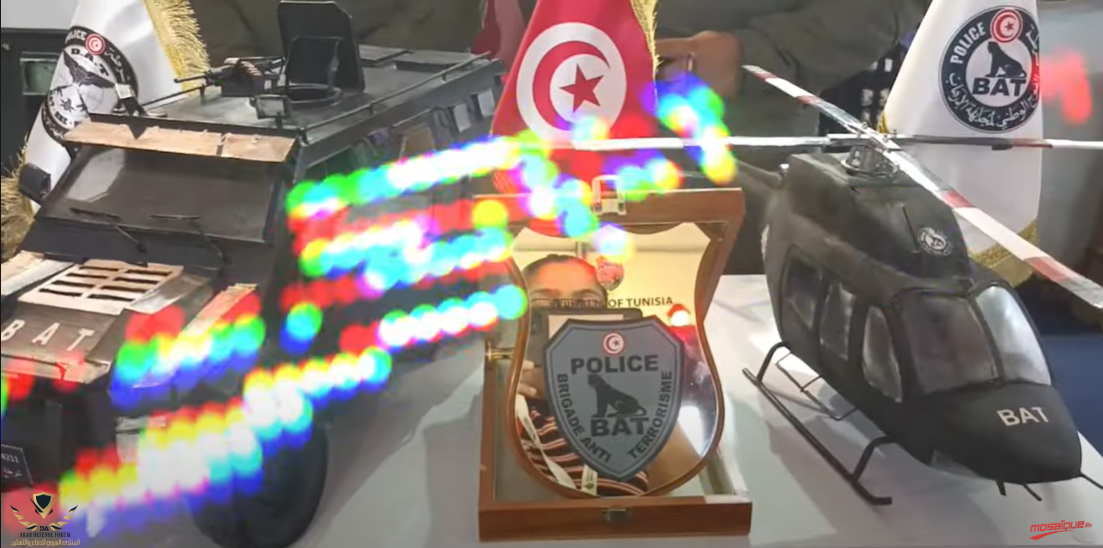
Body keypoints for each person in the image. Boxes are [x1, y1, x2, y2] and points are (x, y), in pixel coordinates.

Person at [514, 254, 702, 497]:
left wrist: (645, 396)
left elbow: (688, 496)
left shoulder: (631, 406)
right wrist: (500, 392)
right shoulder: (498, 398)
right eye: (543, 301)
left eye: (587, 303)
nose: (564, 312)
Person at [189, 0, 485, 66]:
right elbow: (229, 51)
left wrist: (364, 68)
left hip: (417, 98)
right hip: (279, 130)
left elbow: (444, 12)